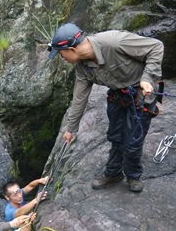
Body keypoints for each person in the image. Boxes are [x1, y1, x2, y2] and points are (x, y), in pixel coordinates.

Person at [48, 23, 164, 192]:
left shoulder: (114, 42)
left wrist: (147, 78)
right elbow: (79, 98)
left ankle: (133, 175)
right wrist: (71, 129)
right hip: (118, 97)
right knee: (116, 137)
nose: (62, 58)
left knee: (133, 142)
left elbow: (156, 46)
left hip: (140, 95)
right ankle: (113, 173)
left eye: (61, 54)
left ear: (72, 50)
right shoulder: (82, 68)